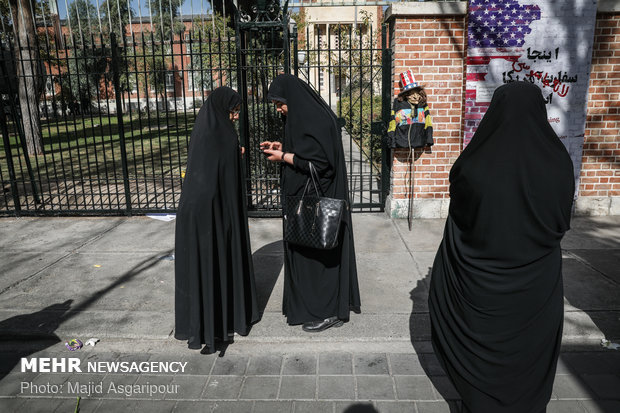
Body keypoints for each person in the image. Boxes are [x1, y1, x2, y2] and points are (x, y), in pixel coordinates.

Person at [428, 81, 575, 413]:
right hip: (535, 286)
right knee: (528, 354)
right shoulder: (558, 164)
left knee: (480, 357)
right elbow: (561, 224)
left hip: (480, 285)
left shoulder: (474, 165)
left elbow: (461, 218)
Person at [260, 74, 361, 333]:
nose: (279, 109)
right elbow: (310, 150)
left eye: (280, 103)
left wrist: (284, 156)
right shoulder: (307, 116)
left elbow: (321, 165)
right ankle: (308, 306)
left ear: (292, 98)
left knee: (318, 258)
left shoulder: (313, 119)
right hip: (306, 201)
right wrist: (283, 147)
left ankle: (327, 312)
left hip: (316, 203)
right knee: (307, 256)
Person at [174, 86, 259, 353]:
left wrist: (234, 154)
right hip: (213, 213)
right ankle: (220, 324)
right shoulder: (223, 133)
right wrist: (235, 153)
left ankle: (200, 326)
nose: (235, 117)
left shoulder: (204, 129)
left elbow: (211, 168)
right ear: (224, 109)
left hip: (195, 213)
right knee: (216, 263)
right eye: (233, 111)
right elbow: (223, 176)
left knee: (202, 269)